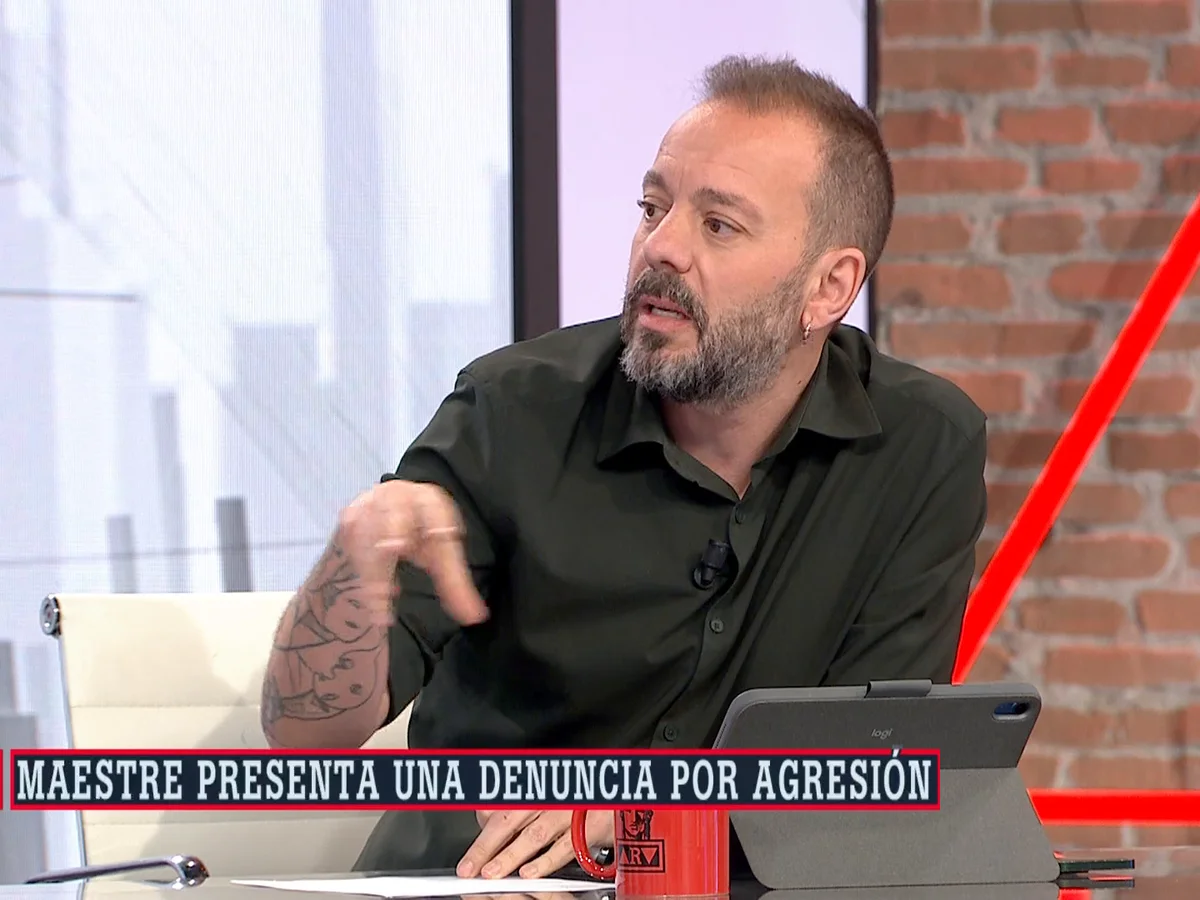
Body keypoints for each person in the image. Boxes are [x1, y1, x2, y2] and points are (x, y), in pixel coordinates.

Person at [260, 54, 987, 879]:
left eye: (719, 225)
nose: (661, 246)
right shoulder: (513, 409)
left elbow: (872, 772)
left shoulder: (920, 444)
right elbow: (304, 734)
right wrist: (345, 579)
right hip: (475, 881)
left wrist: (647, 806)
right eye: (652, 207)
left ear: (829, 287)